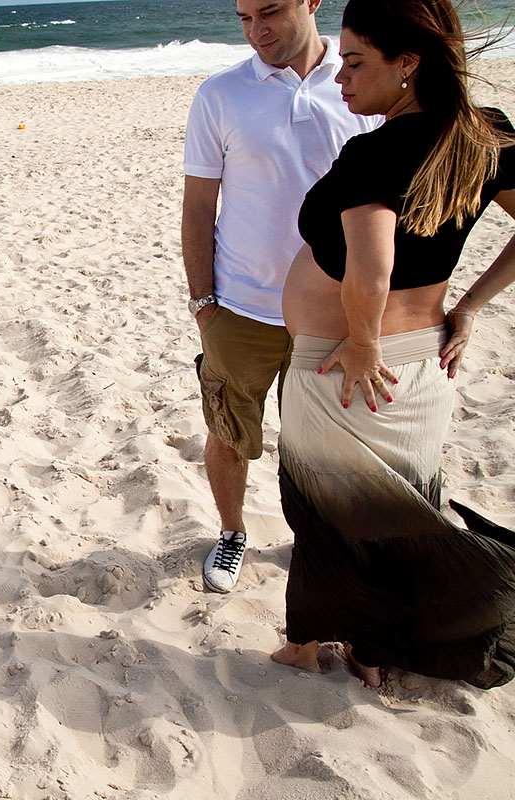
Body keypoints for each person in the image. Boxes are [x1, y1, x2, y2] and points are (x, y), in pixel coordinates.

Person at [272, 0, 515, 689]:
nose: (341, 78)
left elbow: (371, 273)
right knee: (395, 515)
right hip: (422, 366)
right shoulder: (483, 135)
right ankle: (373, 653)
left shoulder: (373, 152)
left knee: (323, 516)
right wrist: (467, 307)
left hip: (351, 369)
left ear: (409, 63)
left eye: (355, 63)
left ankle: (304, 649)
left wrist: (363, 345)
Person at [183, 0, 379, 592]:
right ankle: (233, 532)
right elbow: (198, 207)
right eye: (244, 18)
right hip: (239, 309)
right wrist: (203, 305)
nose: (255, 31)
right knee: (228, 432)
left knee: (321, 449)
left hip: (331, 314)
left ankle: (313, 540)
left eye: (269, 12)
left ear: (312, 2)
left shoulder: (359, 87)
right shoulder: (220, 95)